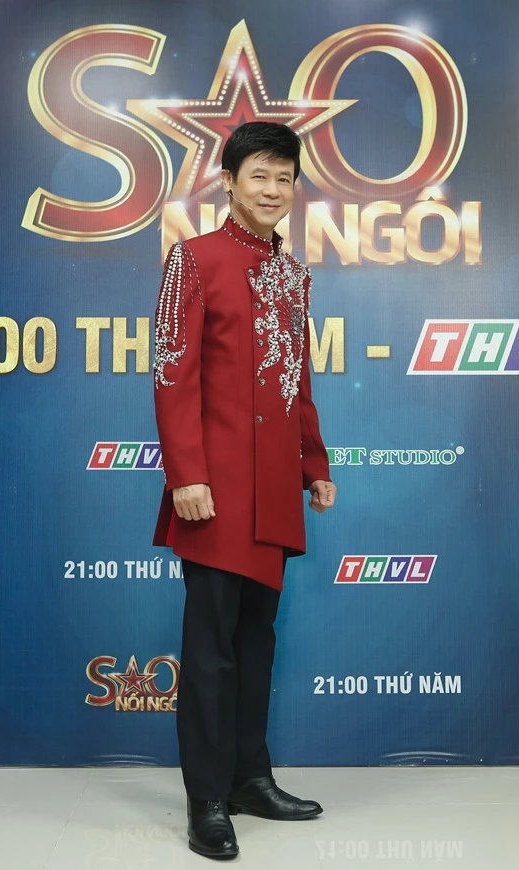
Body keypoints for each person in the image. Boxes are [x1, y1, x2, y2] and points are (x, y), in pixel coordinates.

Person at [152, 121, 336, 860]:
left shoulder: (293, 275)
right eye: (259, 175)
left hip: (275, 492)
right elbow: (172, 374)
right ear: (229, 181)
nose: (273, 189)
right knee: (210, 650)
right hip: (215, 490)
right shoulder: (193, 259)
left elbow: (298, 382)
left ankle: (250, 779)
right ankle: (206, 799)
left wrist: (314, 464)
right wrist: (187, 475)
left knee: (257, 642)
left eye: (284, 178)